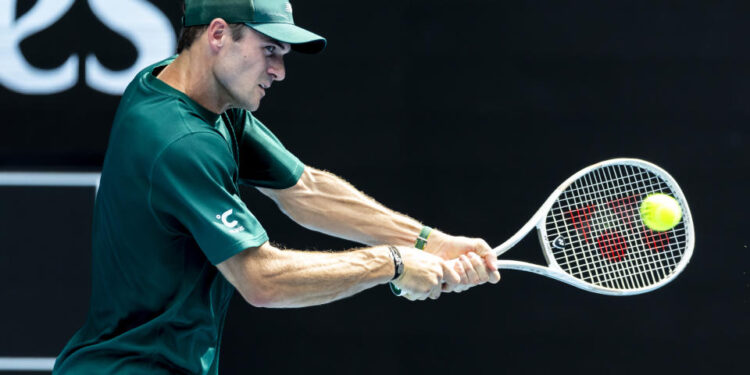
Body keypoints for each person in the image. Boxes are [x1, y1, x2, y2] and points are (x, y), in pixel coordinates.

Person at [53, 0, 500, 374]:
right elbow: (261, 279)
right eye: (269, 50)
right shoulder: (181, 142)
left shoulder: (185, 87)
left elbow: (306, 190)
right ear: (217, 34)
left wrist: (432, 242)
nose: (280, 70)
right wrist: (394, 264)